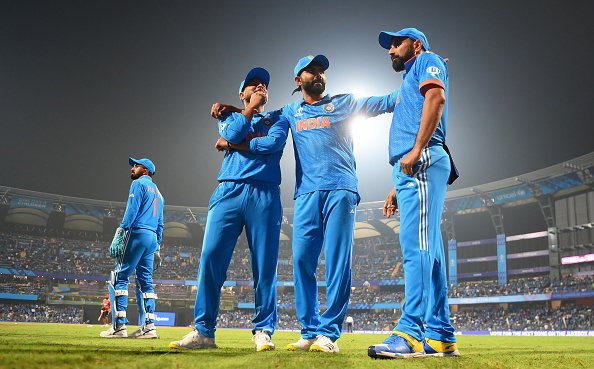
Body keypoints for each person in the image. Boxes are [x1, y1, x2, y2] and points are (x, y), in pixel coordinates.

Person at [212, 55, 398, 353]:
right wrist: (231, 108)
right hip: (306, 194)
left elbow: (387, 100)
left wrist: (422, 76)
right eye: (311, 71)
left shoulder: (344, 102)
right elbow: (260, 116)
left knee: (337, 262)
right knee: (301, 262)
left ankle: (329, 334)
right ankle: (310, 331)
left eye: (321, 70)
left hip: (340, 188)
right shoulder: (290, 111)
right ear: (298, 80)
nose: (319, 74)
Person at [169, 67, 288, 351]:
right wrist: (246, 115)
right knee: (210, 257)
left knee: (265, 265)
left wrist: (235, 144)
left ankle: (262, 331)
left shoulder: (279, 118)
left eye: (264, 85)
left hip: (265, 192)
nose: (260, 87)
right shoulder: (229, 116)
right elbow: (234, 131)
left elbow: (273, 144)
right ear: (242, 93)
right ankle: (203, 331)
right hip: (228, 190)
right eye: (254, 85)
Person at [367, 28, 460, 359]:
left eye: (396, 43)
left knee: (416, 247)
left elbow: (436, 98)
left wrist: (417, 149)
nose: (390, 50)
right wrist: (396, 184)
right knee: (431, 252)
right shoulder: (409, 80)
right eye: (389, 46)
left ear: (416, 44)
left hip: (422, 159)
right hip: (412, 166)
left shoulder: (427, 61)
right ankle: (440, 335)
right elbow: (392, 106)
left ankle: (409, 333)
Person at [101, 157, 164, 339]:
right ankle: (149, 328)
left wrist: (121, 232)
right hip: (152, 238)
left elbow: (132, 210)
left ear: (146, 171)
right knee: (146, 281)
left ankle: (119, 327)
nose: (133, 168)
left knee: (119, 277)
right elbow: (160, 223)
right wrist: (157, 246)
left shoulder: (138, 184)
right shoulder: (159, 194)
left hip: (136, 234)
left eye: (136, 165)